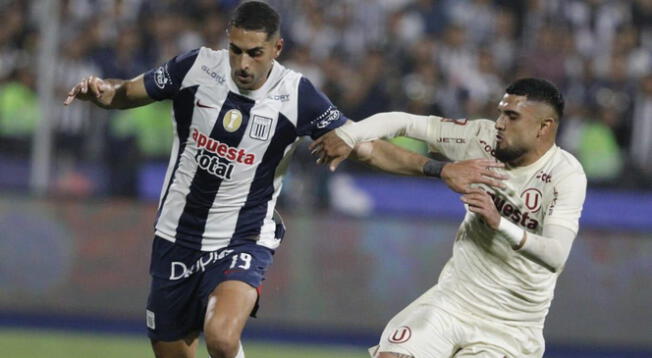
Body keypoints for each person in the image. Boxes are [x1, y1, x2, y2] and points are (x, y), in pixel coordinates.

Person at [63, 2, 506, 358]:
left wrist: (438, 168)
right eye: (236, 49)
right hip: (175, 235)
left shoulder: (296, 95)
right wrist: (101, 94)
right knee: (172, 350)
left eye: (254, 52)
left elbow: (365, 145)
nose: (242, 62)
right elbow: (126, 93)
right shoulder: (197, 66)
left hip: (243, 235)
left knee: (221, 337)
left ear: (277, 48)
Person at [311, 78, 587, 358]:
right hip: (452, 300)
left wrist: (499, 222)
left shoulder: (565, 176)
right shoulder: (481, 138)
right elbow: (402, 121)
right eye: (501, 112)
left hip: (510, 325)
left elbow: (556, 254)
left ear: (544, 127)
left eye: (512, 116)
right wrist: (350, 134)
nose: (500, 123)